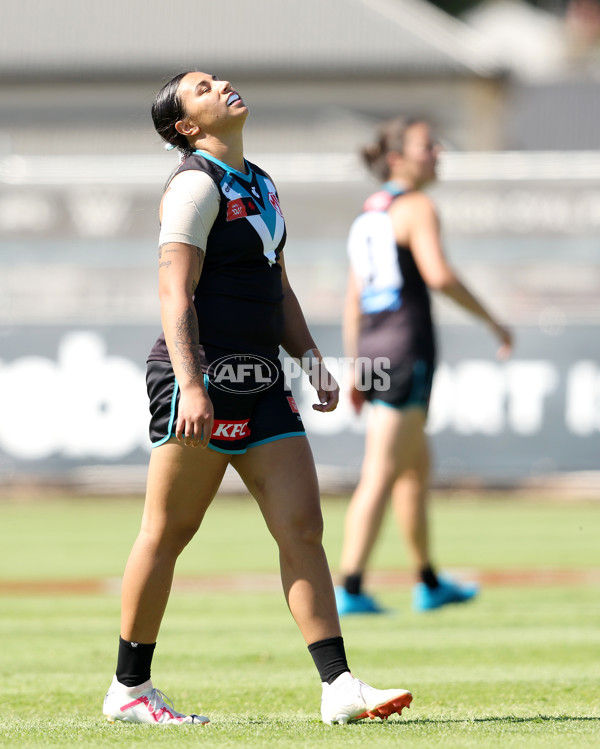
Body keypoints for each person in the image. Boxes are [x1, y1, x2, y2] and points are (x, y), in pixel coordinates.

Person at [102, 72, 413, 727]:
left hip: (264, 379)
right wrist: (191, 383)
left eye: (218, 79)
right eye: (204, 87)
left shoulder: (261, 181)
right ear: (186, 125)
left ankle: (339, 685)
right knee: (167, 533)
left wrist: (311, 359)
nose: (223, 85)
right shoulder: (193, 185)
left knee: (303, 527)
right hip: (200, 380)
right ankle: (130, 687)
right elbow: (173, 293)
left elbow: (279, 284)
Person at [335, 117, 512, 616]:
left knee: (415, 468)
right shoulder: (415, 206)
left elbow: (354, 299)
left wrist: (356, 366)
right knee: (383, 472)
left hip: (374, 349)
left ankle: (429, 581)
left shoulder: (369, 213)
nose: (438, 152)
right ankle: (349, 587)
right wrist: (494, 322)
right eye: (426, 145)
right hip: (405, 349)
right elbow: (438, 274)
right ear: (398, 158)